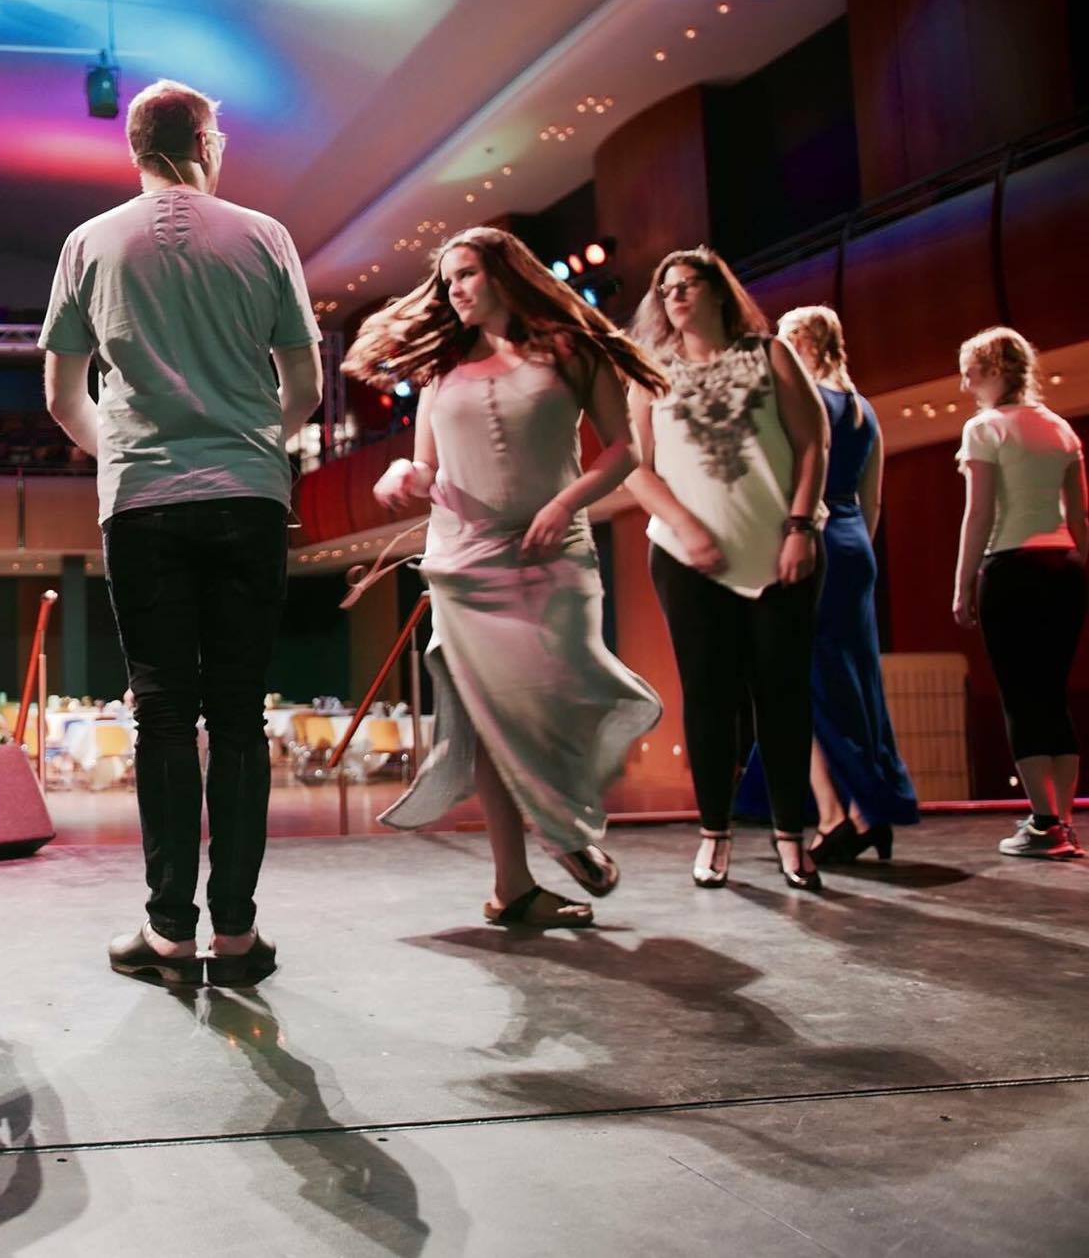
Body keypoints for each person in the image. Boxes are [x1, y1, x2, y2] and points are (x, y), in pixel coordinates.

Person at [42, 78, 322, 988]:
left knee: (161, 712)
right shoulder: (265, 235)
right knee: (237, 713)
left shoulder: (88, 242)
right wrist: (254, 445)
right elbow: (306, 387)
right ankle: (235, 936)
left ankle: (167, 935)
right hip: (247, 497)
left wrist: (122, 453)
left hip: (142, 504)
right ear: (206, 143)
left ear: (133, 148)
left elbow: (61, 395)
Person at [346, 227, 667, 928]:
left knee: (562, 698)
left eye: (465, 274)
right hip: (465, 561)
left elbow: (623, 449)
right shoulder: (442, 368)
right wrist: (399, 475)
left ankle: (560, 825)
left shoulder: (571, 351)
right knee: (489, 718)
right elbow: (425, 467)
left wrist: (563, 503)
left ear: (505, 274)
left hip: (552, 554)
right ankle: (515, 884)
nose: (454, 290)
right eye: (447, 281)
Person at [625, 247, 831, 891]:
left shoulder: (769, 353)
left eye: (689, 284)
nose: (677, 296)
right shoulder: (651, 373)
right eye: (666, 289)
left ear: (718, 291)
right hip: (686, 559)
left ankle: (792, 838)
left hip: (780, 551)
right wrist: (685, 528)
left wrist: (800, 527)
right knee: (709, 699)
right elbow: (633, 467)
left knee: (784, 697)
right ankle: (714, 834)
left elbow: (813, 443)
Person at [758, 307, 919, 864]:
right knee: (857, 680)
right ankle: (868, 808)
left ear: (801, 343)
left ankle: (838, 814)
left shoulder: (804, 404)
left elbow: (788, 481)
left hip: (815, 536)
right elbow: (873, 498)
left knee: (804, 682)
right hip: (855, 545)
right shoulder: (863, 410)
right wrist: (856, 549)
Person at [953, 327, 1087, 859]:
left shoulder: (984, 428)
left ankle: (1044, 822)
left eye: (970, 372)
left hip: (1011, 569)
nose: (965, 384)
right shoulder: (1060, 428)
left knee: (1021, 696)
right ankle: (1063, 824)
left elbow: (979, 513)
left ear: (994, 370)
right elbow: (1079, 516)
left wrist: (963, 583)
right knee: (1053, 695)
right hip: (1064, 569)